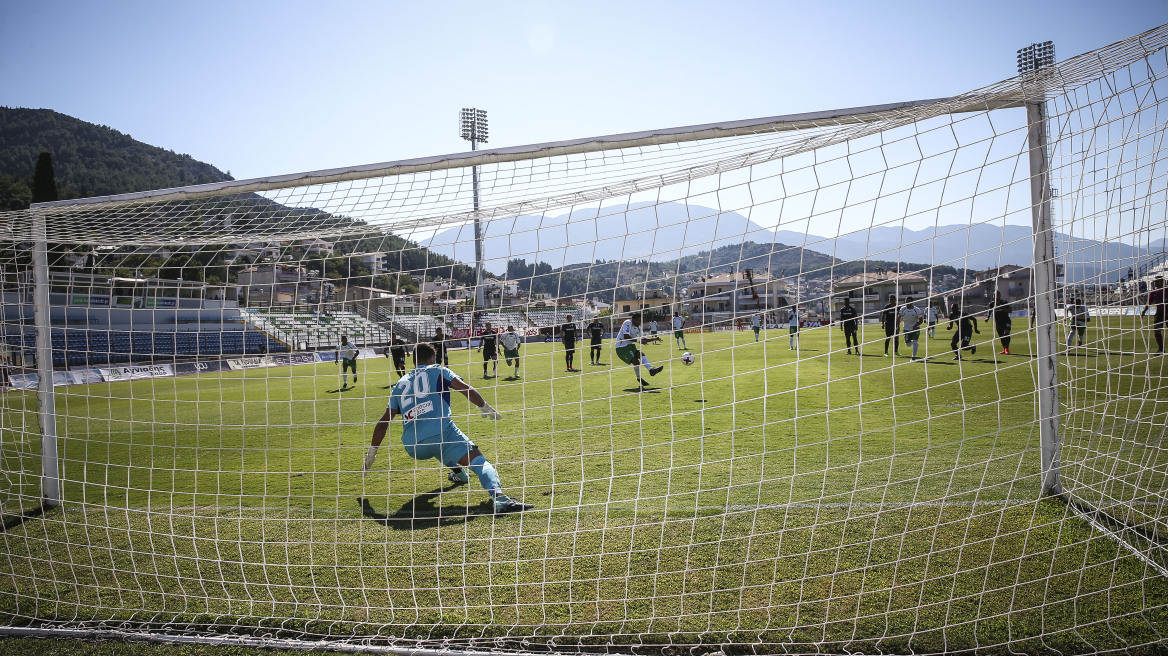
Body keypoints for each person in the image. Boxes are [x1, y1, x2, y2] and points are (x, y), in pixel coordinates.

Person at [363, 343, 532, 514]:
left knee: (437, 445)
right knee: (481, 463)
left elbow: (384, 422)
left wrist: (372, 452)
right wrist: (485, 407)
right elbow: (466, 389)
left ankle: (459, 473)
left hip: (413, 446)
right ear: (432, 358)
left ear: (413, 361)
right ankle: (500, 499)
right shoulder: (438, 370)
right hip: (441, 433)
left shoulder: (399, 384)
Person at [614, 314, 663, 388]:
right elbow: (626, 336)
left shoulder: (639, 328)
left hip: (630, 346)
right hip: (621, 347)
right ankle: (639, 379)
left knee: (640, 354)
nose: (639, 322)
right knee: (636, 362)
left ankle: (651, 370)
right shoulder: (627, 323)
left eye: (640, 320)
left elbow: (643, 339)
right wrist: (639, 341)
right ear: (633, 320)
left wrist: (654, 339)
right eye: (637, 320)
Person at [1141, 277, 1165, 354]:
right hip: (1159, 313)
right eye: (1154, 282)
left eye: (1157, 281)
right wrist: (1144, 311)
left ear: (1162, 281)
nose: (1155, 283)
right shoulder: (1154, 292)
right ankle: (1161, 349)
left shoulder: (1167, 290)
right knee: (1157, 330)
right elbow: (1149, 303)